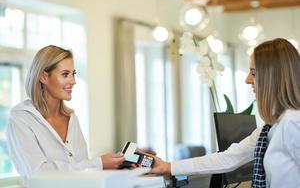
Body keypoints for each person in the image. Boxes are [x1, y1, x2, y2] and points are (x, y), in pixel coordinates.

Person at [150, 38, 300, 188]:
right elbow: (229, 158)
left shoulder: (292, 122)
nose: (247, 80)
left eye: (253, 73)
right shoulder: (271, 127)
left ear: (273, 76)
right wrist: (168, 167)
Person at [6, 45, 125, 178]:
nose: (73, 81)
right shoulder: (21, 118)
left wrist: (111, 168)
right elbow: (37, 174)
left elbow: (81, 170)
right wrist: (98, 163)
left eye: (73, 74)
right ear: (44, 77)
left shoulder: (71, 118)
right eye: (65, 74)